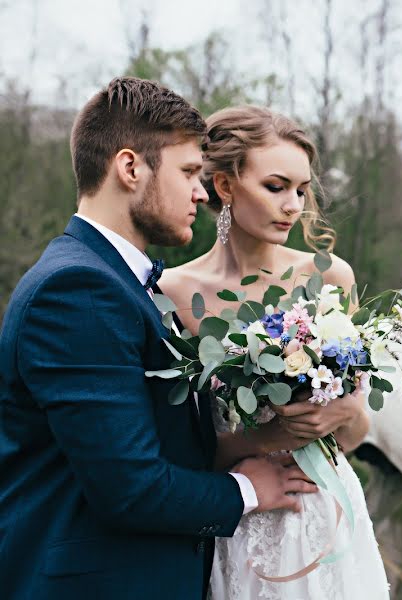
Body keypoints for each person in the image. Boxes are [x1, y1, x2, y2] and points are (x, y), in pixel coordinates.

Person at [0, 78, 312, 600]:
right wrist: (248, 489)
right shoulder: (77, 290)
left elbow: (156, 439)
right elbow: (130, 488)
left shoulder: (120, 281)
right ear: (129, 168)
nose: (202, 191)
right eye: (190, 172)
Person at [160, 104, 389, 599]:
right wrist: (266, 437)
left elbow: (357, 429)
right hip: (240, 517)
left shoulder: (328, 279)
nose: (293, 205)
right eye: (276, 186)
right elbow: (181, 451)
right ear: (224, 186)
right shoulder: (174, 294)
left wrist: (344, 410)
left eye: (302, 191)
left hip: (326, 513)